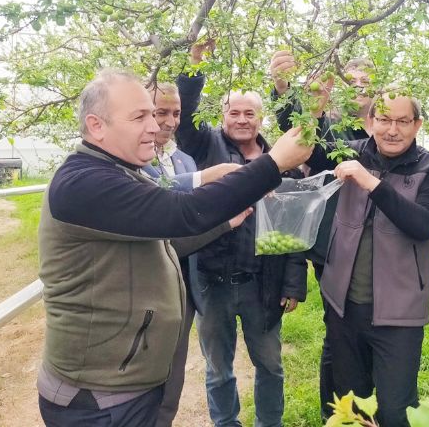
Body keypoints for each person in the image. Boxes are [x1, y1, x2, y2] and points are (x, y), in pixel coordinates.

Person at [37, 68, 311, 427]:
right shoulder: (84, 183)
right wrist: (272, 165)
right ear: (96, 125)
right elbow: (182, 213)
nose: (155, 126)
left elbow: (166, 239)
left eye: (153, 114)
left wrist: (227, 221)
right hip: (100, 397)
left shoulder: (124, 171)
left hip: (134, 382)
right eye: (141, 116)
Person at [177, 42, 308, 427]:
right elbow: (184, 120)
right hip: (212, 282)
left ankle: (270, 423)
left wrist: (293, 283)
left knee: (270, 365)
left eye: (250, 113)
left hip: (261, 284)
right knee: (218, 369)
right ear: (222, 116)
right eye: (234, 112)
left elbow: (291, 227)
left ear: (261, 118)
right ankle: (226, 423)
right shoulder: (206, 147)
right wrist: (194, 64)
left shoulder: (280, 158)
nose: (241, 119)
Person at [305, 91, 429, 427]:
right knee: (351, 405)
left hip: (399, 316)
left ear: (417, 125)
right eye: (384, 119)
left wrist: (370, 182)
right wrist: (307, 106)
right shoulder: (349, 154)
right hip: (345, 308)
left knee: (396, 409)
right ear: (370, 122)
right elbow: (306, 147)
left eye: (402, 121)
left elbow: (422, 225)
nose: (392, 129)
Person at [269, 51, 375, 420]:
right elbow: (302, 136)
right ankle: (339, 410)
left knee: (372, 329)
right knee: (340, 331)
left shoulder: (390, 128)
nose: (359, 87)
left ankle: (367, 403)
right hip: (337, 249)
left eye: (366, 82)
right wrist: (284, 89)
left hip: (383, 251)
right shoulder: (334, 131)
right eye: (352, 82)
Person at [141, 82, 238, 427]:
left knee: (172, 380)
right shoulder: (134, 162)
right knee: (145, 383)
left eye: (176, 113)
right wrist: (210, 182)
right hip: (148, 296)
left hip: (183, 289)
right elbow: (164, 209)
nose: (168, 121)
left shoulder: (183, 158)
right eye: (160, 111)